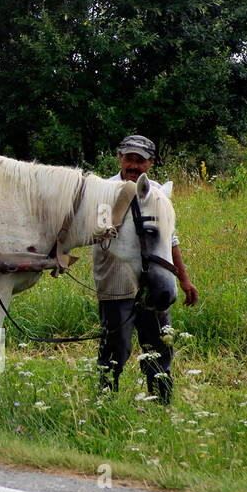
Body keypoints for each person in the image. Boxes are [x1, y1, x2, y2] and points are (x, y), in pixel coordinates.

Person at [93, 133, 198, 404]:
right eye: (129, 158)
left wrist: (184, 280)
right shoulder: (104, 191)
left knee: (159, 346)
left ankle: (161, 404)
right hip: (115, 283)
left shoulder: (159, 193)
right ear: (120, 158)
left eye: (140, 161)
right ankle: (105, 404)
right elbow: (99, 235)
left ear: (150, 163)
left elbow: (169, 239)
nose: (133, 165)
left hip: (154, 285)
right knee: (115, 349)